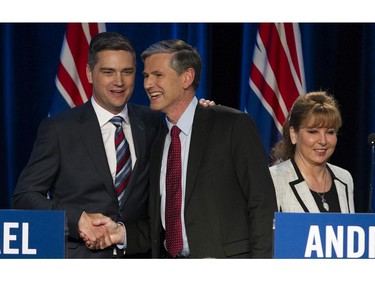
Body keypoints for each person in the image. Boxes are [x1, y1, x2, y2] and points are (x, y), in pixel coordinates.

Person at [12, 32, 212, 258]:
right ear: (89, 73)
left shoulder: (155, 122)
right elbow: (25, 195)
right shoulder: (59, 130)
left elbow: (186, 130)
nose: (119, 82)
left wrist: (202, 114)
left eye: (127, 72)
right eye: (108, 72)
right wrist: (78, 220)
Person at [87, 39, 277, 258]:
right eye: (146, 76)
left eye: (158, 75)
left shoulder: (232, 125)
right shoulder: (158, 141)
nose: (148, 84)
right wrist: (121, 233)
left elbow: (262, 204)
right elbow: (160, 225)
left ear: (186, 77)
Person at [269, 91, 355, 213]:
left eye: (330, 132)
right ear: (294, 134)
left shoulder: (344, 179)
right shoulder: (274, 179)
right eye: (313, 132)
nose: (323, 141)